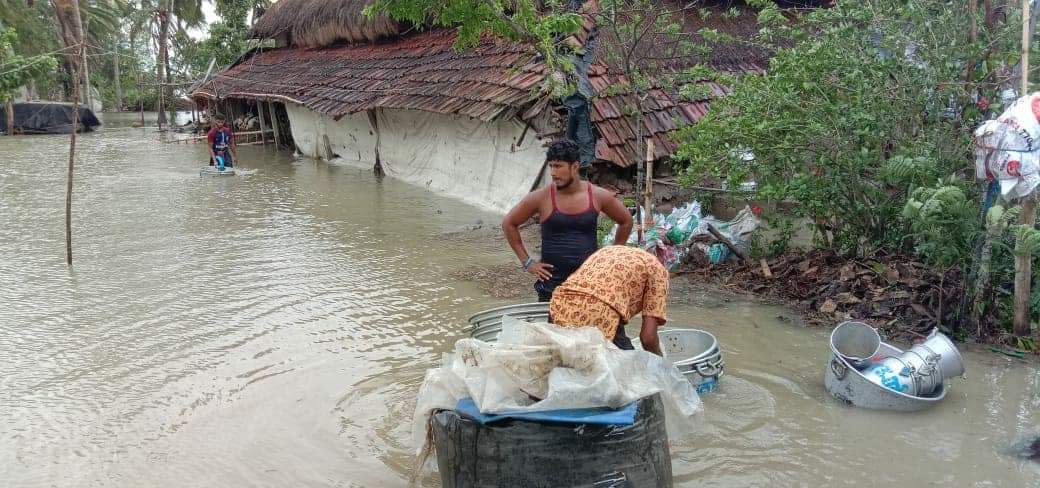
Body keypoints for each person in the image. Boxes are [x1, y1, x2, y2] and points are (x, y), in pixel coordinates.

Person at [502, 139, 633, 302]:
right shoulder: (541, 197)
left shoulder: (597, 196)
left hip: (589, 286)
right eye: (551, 166)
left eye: (558, 166)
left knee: (589, 328)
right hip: (551, 288)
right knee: (549, 328)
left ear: (575, 167)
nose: (553, 172)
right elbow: (509, 223)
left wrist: (612, 257)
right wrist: (527, 262)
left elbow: (626, 221)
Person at [549, 245, 668, 355]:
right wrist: (661, 365)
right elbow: (648, 338)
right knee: (629, 369)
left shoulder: (610, 249)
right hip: (600, 313)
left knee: (563, 365)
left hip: (560, 303)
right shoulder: (659, 271)